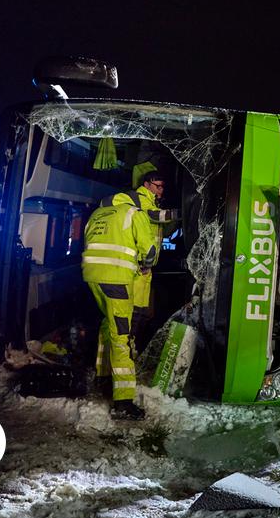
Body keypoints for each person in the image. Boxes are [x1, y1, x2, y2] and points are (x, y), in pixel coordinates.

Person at [82, 196, 157, 420]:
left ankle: (103, 374)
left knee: (108, 322)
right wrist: (145, 266)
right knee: (121, 337)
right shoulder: (135, 213)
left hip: (92, 277)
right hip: (117, 281)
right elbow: (150, 251)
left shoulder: (97, 214)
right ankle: (123, 401)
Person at [100, 170, 179, 345]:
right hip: (136, 267)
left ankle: (130, 349)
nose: (161, 190)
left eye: (162, 187)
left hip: (145, 268)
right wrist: (179, 213)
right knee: (129, 316)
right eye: (158, 186)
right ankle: (122, 354)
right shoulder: (141, 199)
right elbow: (154, 215)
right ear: (147, 185)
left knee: (140, 315)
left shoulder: (151, 202)